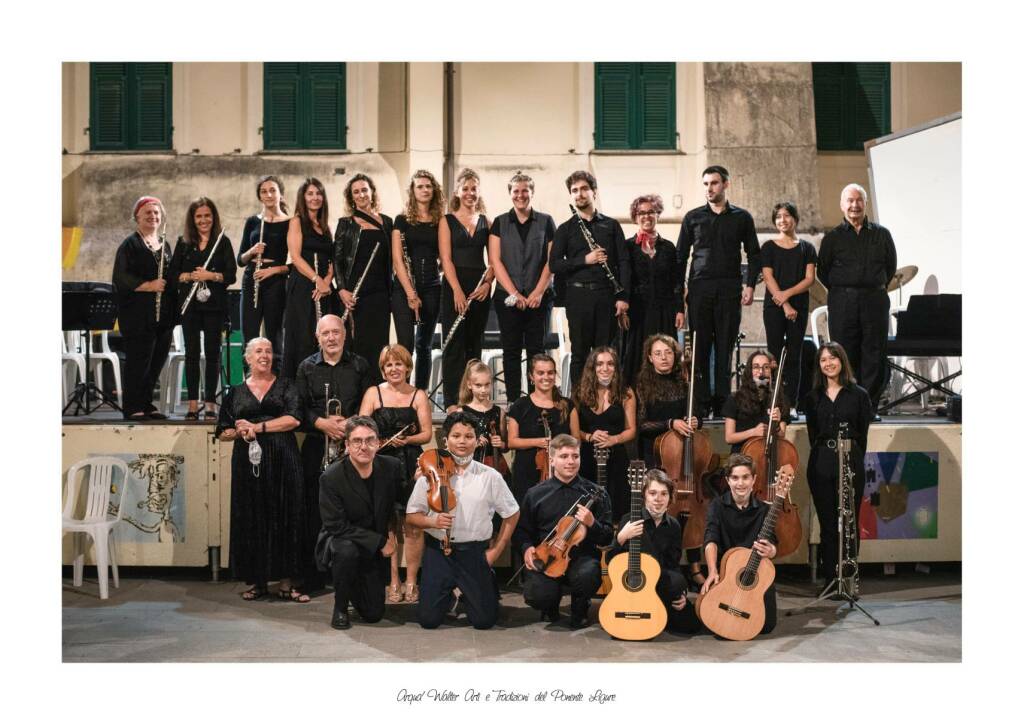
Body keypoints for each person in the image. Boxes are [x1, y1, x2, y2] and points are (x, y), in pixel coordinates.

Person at [405, 412, 520, 629]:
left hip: (474, 553)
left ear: (477, 441)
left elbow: (512, 513)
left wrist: (496, 550)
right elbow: (411, 516)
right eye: (456, 436)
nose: (462, 441)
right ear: (445, 440)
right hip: (438, 552)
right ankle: (449, 596)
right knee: (428, 621)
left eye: (469, 436)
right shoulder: (429, 474)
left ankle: (476, 591)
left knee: (484, 621)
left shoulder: (490, 476)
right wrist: (432, 522)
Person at [215, 337, 306, 601]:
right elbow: (222, 431)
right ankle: (258, 581)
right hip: (248, 462)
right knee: (252, 516)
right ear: (248, 358)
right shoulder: (235, 392)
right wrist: (239, 431)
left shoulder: (286, 385)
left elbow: (294, 418)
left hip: (283, 457)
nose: (264, 355)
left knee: (286, 513)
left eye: (268, 350)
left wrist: (259, 427)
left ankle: (288, 581)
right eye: (258, 351)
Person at [295, 314, 373, 596]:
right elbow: (299, 409)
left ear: (344, 334)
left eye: (336, 332)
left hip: (351, 448)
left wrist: (349, 426)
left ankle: (354, 578)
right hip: (316, 445)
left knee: (353, 513)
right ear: (318, 337)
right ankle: (315, 577)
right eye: (325, 333)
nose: (331, 338)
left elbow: (369, 405)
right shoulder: (306, 367)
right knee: (314, 512)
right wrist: (322, 422)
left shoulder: (360, 365)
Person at [676, 165, 761, 417]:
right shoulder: (692, 217)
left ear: (726, 184)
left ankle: (723, 404)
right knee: (699, 350)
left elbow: (754, 254)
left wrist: (750, 285)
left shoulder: (742, 217)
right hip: (700, 290)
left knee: (725, 349)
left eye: (714, 183)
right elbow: (681, 257)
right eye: (705, 184)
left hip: (729, 290)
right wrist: (679, 292)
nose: (709, 189)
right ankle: (700, 405)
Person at [359, 344, 434, 604]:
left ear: (407, 367)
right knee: (387, 524)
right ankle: (393, 580)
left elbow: (427, 434)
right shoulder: (372, 393)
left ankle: (412, 581)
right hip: (381, 465)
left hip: (412, 464)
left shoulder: (418, 395)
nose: (394, 369)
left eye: (398, 364)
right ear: (383, 369)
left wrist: (408, 439)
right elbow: (362, 428)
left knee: (413, 523)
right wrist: (375, 442)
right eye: (389, 365)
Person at [513, 434, 613, 629]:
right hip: (548, 556)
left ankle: (580, 605)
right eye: (564, 456)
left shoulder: (595, 493)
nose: (570, 461)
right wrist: (526, 548)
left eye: (575, 456)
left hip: (581, 558)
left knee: (588, 575)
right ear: (551, 460)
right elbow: (522, 531)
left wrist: (592, 523)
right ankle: (549, 605)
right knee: (537, 594)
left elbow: (607, 537)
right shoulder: (536, 494)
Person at [315, 416, 402, 630]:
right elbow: (336, 526)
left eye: (370, 440)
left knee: (373, 614)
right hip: (342, 540)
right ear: (347, 445)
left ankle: (354, 586)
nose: (364, 446)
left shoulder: (391, 466)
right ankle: (340, 607)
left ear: (379, 442)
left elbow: (399, 500)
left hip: (372, 546)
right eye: (357, 441)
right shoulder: (331, 477)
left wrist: (420, 481)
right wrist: (381, 542)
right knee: (347, 551)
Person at [818, 183, 897, 413]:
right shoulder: (832, 238)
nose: (854, 205)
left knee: (874, 351)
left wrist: (872, 285)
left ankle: (868, 406)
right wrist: (845, 289)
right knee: (844, 351)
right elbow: (823, 270)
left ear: (865, 203)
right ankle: (847, 403)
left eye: (858, 200)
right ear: (842, 205)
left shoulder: (882, 234)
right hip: (843, 301)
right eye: (849, 201)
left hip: (875, 298)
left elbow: (890, 267)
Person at [634, 333, 705, 588]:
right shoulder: (642, 384)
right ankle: (660, 565)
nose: (664, 358)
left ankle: (695, 566)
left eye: (668, 352)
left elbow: (698, 414)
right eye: (658, 353)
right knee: (658, 513)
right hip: (657, 459)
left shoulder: (685, 381)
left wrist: (696, 420)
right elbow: (640, 425)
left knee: (695, 513)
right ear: (650, 358)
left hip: (684, 459)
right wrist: (670, 424)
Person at [549, 170, 631, 386]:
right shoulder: (565, 229)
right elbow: (554, 264)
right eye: (574, 190)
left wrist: (623, 296)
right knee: (580, 354)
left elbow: (623, 262)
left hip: (606, 294)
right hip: (578, 296)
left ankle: (608, 401)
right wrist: (584, 260)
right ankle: (579, 405)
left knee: (606, 354)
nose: (579, 194)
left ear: (594, 192)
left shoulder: (611, 225)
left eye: (584, 189)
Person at [802, 341, 872, 594]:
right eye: (823, 360)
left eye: (833, 358)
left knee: (849, 521)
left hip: (850, 459)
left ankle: (850, 580)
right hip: (821, 460)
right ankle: (832, 580)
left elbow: (862, 435)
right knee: (829, 523)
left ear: (842, 361)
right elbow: (813, 434)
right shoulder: (812, 397)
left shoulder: (859, 394)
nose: (828, 363)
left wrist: (851, 456)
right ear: (819, 366)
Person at [488, 171, 556, 401]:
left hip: (539, 299)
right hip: (507, 299)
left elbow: (551, 260)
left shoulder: (546, 221)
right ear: (510, 194)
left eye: (525, 190)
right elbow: (495, 261)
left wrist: (537, 293)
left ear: (532, 192)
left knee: (537, 351)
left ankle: (537, 400)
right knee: (511, 352)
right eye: (516, 191)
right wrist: (514, 293)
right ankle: (514, 403)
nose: (520, 195)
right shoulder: (499, 222)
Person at [609, 468, 700, 634]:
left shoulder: (673, 525)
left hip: (661, 583)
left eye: (664, 494)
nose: (658, 499)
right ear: (644, 495)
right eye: (653, 493)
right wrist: (621, 537)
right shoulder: (629, 520)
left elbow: (674, 564)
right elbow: (611, 561)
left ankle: (661, 609)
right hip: (634, 584)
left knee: (691, 625)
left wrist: (682, 592)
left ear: (669, 497)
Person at [169, 197, 236, 420]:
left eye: (207, 215)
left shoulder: (222, 242)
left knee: (213, 354)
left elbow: (231, 275)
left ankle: (210, 404)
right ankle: (191, 405)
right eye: (199, 216)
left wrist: (210, 276)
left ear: (213, 217)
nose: (203, 220)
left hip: (215, 305)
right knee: (191, 354)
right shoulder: (183, 242)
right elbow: (172, 275)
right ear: (192, 219)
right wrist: (189, 276)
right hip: (190, 305)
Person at [111, 196, 176, 421]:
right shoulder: (130, 244)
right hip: (138, 315)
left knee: (156, 360)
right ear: (137, 217)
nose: (153, 216)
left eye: (156, 213)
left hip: (163, 316)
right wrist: (149, 286)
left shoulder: (164, 244)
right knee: (139, 361)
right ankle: (132, 407)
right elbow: (120, 277)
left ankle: (147, 404)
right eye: (147, 212)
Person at [701, 453, 779, 635]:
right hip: (726, 573)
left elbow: (773, 544)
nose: (740, 483)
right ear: (728, 480)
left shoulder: (764, 509)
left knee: (766, 626)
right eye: (735, 478)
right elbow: (710, 539)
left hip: (753, 573)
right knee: (711, 621)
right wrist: (712, 570)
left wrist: (771, 551)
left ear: (754, 480)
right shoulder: (717, 506)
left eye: (745, 477)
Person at [439, 168, 493, 408]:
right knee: (453, 346)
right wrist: (457, 291)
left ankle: (472, 398)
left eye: (474, 188)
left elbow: (494, 261)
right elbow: (446, 259)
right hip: (454, 286)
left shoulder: (486, 221)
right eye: (466, 189)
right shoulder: (446, 220)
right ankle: (452, 401)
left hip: (479, 289)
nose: (470, 193)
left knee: (474, 344)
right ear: (457, 192)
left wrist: (488, 284)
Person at [334, 173, 394, 384]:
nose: (361, 195)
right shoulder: (346, 223)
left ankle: (377, 392)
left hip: (381, 293)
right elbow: (338, 259)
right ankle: (356, 396)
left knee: (379, 345)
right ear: (351, 197)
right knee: (356, 344)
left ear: (372, 192)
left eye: (364, 190)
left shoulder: (387, 222)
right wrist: (342, 290)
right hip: (354, 294)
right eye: (356, 192)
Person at [760, 201, 818, 408]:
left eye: (786, 216)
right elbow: (768, 278)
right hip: (774, 308)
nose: (782, 220)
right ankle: (774, 402)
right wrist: (785, 304)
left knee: (795, 356)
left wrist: (787, 295)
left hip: (799, 306)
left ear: (795, 218)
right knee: (773, 355)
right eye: (778, 217)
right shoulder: (768, 247)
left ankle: (791, 404)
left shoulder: (807, 248)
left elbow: (809, 279)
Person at [391, 170, 445, 390]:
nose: (424, 190)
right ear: (413, 191)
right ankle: (402, 391)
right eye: (420, 186)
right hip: (404, 288)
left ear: (434, 191)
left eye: (428, 186)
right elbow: (397, 259)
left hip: (432, 286)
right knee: (406, 345)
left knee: (424, 345)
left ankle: (420, 393)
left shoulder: (440, 220)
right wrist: (411, 293)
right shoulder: (401, 220)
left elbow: (444, 254)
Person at [623, 194, 684, 384]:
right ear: (635, 217)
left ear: (658, 214)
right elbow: (622, 281)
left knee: (665, 354)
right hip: (636, 312)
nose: (646, 216)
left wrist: (680, 309)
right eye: (641, 212)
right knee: (636, 358)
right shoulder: (627, 247)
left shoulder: (669, 248)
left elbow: (677, 281)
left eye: (651, 212)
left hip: (664, 311)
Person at [570, 347, 636, 521]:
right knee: (587, 512)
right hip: (587, 459)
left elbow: (631, 430)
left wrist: (614, 439)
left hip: (617, 459)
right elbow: (574, 432)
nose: (605, 368)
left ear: (616, 367)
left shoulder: (626, 393)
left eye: (610, 364)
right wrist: (590, 436)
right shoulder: (579, 393)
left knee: (617, 510)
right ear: (592, 367)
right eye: (599, 364)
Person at [282, 177, 336, 380]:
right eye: (310, 194)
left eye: (319, 193)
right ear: (303, 198)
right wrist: (317, 279)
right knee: (303, 337)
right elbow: (295, 257)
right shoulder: (296, 222)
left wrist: (327, 282)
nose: (315, 197)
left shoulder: (325, 226)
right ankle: (299, 390)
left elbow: (331, 260)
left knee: (322, 338)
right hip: (304, 285)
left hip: (323, 288)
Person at [506, 353, 575, 504]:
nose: (546, 377)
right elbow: (512, 441)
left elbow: (576, 441)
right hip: (526, 471)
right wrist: (538, 442)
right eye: (540, 373)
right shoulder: (520, 405)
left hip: (561, 471)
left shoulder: (568, 405)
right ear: (531, 376)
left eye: (550, 373)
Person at [237, 176, 290, 359]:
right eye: (264, 191)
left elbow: (294, 264)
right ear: (259, 196)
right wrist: (252, 251)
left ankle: (276, 383)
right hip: (252, 277)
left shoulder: (290, 223)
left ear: (280, 193)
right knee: (249, 335)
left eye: (273, 190)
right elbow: (240, 260)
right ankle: (249, 383)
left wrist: (274, 270)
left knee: (275, 335)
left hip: (276, 280)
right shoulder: (252, 222)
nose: (268, 194)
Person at [722, 350, 790, 454]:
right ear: (750, 371)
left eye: (766, 367)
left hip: (768, 456)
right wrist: (753, 432)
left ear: (771, 371)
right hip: (742, 457)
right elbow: (729, 437)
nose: (761, 372)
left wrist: (776, 425)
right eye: (756, 367)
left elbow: (781, 435)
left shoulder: (780, 399)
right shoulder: (735, 399)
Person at [451, 360, 507, 476]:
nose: (483, 390)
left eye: (487, 385)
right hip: (469, 467)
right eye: (479, 385)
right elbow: (452, 446)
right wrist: (473, 443)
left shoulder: (499, 412)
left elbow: (506, 446)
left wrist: (500, 444)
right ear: (469, 385)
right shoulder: (461, 412)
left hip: (495, 465)